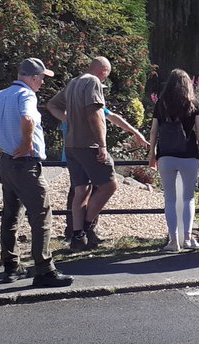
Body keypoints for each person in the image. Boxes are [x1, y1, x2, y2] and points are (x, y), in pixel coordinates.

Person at [0, 57, 73, 288]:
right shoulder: (26, 95)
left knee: (10, 216)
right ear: (33, 77)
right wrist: (26, 143)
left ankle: (11, 266)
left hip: (6, 162)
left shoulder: (2, 95)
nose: (43, 83)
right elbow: (27, 117)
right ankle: (44, 270)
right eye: (42, 79)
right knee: (41, 217)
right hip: (25, 164)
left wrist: (0, 136)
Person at [55, 104, 149, 251]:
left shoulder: (72, 107)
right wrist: (134, 132)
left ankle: (81, 232)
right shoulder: (87, 105)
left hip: (73, 154)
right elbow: (111, 117)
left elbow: (111, 116)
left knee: (83, 192)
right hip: (87, 153)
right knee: (88, 192)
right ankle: (81, 231)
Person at [48, 57, 118, 251]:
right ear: (103, 71)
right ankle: (86, 228)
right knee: (109, 185)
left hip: (71, 145)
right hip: (89, 144)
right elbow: (95, 114)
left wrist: (66, 119)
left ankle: (77, 236)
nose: (105, 80)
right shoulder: (93, 82)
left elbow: (51, 104)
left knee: (81, 190)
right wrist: (102, 145)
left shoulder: (73, 83)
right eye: (107, 75)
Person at [148, 69, 199, 252]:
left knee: (170, 199)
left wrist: (152, 154)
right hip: (188, 155)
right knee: (188, 198)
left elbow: (153, 131)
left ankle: (173, 241)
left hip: (166, 155)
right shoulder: (193, 103)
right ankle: (188, 239)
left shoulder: (161, 104)